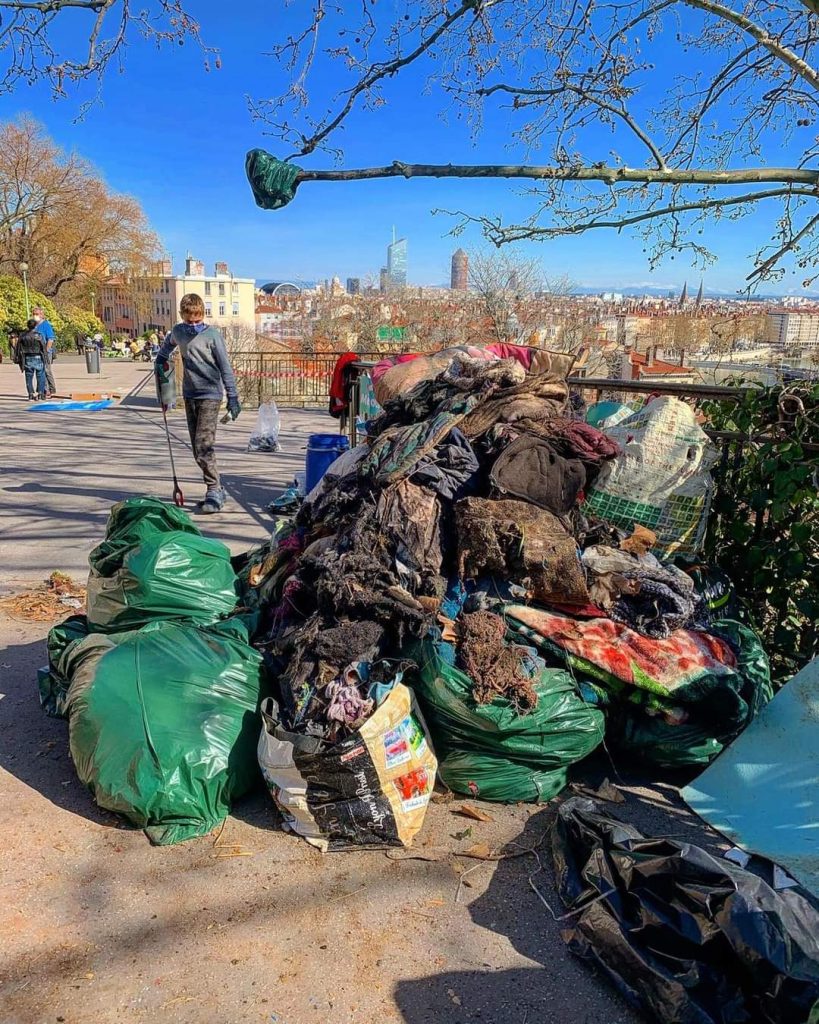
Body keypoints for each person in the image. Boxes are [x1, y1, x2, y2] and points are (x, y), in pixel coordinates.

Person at [155, 293, 241, 514]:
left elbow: (225, 368)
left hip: (211, 394)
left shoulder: (213, 336)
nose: (194, 325)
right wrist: (161, 360)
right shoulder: (178, 332)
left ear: (203, 315)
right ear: (183, 316)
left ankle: (213, 490)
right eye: (189, 320)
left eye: (198, 320)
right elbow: (166, 348)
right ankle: (218, 488)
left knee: (204, 445)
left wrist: (233, 397)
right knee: (196, 448)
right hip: (190, 394)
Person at [16, 318, 48, 400]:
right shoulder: (39, 335)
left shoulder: (23, 336)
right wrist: (46, 358)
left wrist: (18, 359)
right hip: (38, 357)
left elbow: (18, 348)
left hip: (27, 357)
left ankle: (30, 394)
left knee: (28, 376)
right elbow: (43, 347)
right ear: (36, 326)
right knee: (40, 375)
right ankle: (40, 393)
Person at [32, 307, 56, 397]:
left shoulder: (46, 325)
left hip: (46, 352)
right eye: (33, 314)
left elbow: (50, 339)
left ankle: (50, 389)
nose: (35, 316)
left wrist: (46, 351)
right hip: (37, 352)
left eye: (37, 314)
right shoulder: (34, 326)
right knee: (40, 371)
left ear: (42, 315)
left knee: (46, 370)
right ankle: (44, 389)